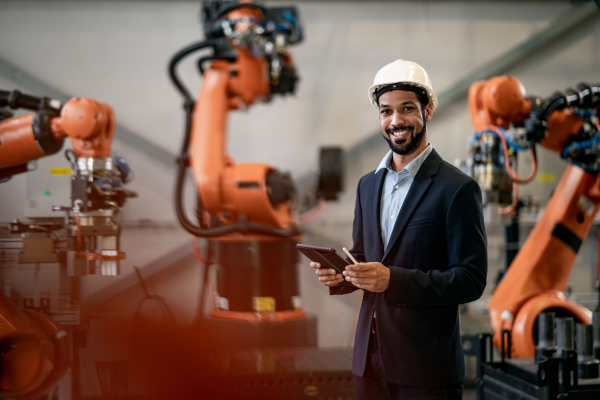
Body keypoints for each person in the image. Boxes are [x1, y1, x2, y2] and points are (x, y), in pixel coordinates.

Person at [310, 59, 488, 399]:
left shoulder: (457, 189)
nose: (395, 121)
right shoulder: (367, 186)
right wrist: (342, 275)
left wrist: (393, 279)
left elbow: (470, 279)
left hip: (425, 369)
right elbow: (364, 257)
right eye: (386, 111)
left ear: (428, 110)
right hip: (369, 364)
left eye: (407, 109)